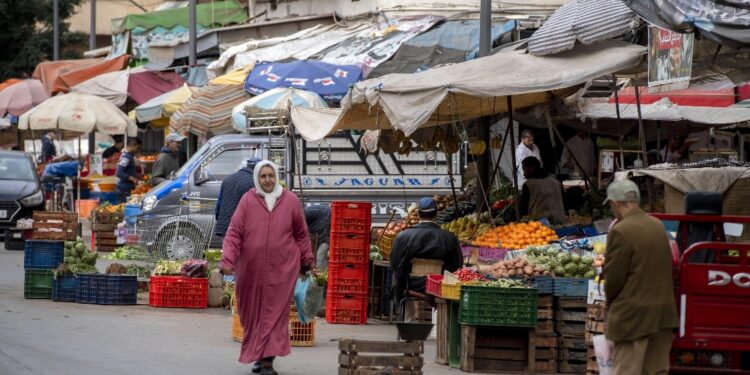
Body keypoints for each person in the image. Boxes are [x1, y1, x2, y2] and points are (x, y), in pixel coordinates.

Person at [220, 160, 314, 375]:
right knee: (251, 313)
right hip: (250, 270)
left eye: (271, 175)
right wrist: (227, 260)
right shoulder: (247, 200)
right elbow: (234, 232)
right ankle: (258, 354)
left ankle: (267, 362)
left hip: (283, 268)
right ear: (256, 178)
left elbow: (301, 233)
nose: (268, 180)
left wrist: (307, 259)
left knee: (274, 313)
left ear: (277, 176)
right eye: (263, 176)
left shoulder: (289, 200)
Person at [603, 180, 678, 375]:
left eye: (611, 206)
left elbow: (614, 278)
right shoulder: (657, 226)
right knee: (657, 371)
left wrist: (608, 302)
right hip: (663, 316)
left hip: (633, 318)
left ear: (617, 204)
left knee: (627, 371)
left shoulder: (621, 230)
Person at [389, 197, 463, 305]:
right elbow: (458, 265)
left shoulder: (403, 236)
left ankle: (408, 318)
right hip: (441, 286)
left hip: (411, 285)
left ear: (418, 214)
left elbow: (395, 264)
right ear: (436, 214)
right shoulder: (450, 238)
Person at [214, 157, 261, 237]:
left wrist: (220, 220)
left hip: (225, 226)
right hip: (243, 228)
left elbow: (219, 203)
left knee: (228, 248)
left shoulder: (228, 179)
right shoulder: (253, 182)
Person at [519, 157, 565, 224]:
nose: (524, 174)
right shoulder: (556, 182)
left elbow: (524, 209)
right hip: (561, 221)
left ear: (531, 168)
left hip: (540, 226)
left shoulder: (529, 185)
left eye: (524, 170)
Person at [115, 138, 142, 203]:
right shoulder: (126, 157)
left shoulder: (128, 155)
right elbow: (119, 173)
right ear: (132, 145)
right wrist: (131, 178)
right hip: (124, 189)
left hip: (126, 188)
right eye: (137, 148)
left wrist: (136, 175)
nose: (138, 150)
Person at [305, 205, 331, 270]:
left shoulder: (303, 214)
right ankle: (320, 271)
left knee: (322, 252)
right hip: (321, 223)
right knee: (321, 251)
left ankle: (321, 274)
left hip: (326, 218)